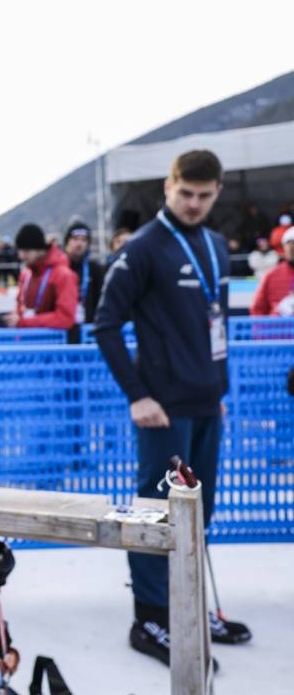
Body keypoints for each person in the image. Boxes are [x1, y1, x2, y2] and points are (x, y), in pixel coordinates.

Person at [93, 149, 251, 666]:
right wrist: (137, 395)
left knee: (199, 513)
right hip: (162, 409)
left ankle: (186, 606)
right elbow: (105, 325)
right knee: (157, 513)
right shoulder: (142, 249)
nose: (194, 203)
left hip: (205, 404)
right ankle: (149, 619)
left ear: (217, 192)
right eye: (186, 193)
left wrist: (218, 391)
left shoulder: (215, 245)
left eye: (204, 195)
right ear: (168, 187)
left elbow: (217, 324)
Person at [1, 223, 78, 330]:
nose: (21, 256)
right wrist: (15, 318)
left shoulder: (63, 275)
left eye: (26, 251)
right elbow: (20, 308)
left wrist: (24, 322)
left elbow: (65, 318)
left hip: (55, 339)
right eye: (20, 250)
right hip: (28, 337)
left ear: (40, 250)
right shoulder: (26, 274)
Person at [62, 221, 105, 341]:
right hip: (62, 332)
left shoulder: (95, 269)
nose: (79, 243)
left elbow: (101, 300)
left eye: (84, 240)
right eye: (75, 239)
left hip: (88, 331)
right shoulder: (59, 268)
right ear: (67, 242)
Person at [250, 226, 294, 316]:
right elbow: (257, 310)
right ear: (284, 247)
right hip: (278, 324)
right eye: (290, 244)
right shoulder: (271, 276)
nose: (292, 247)